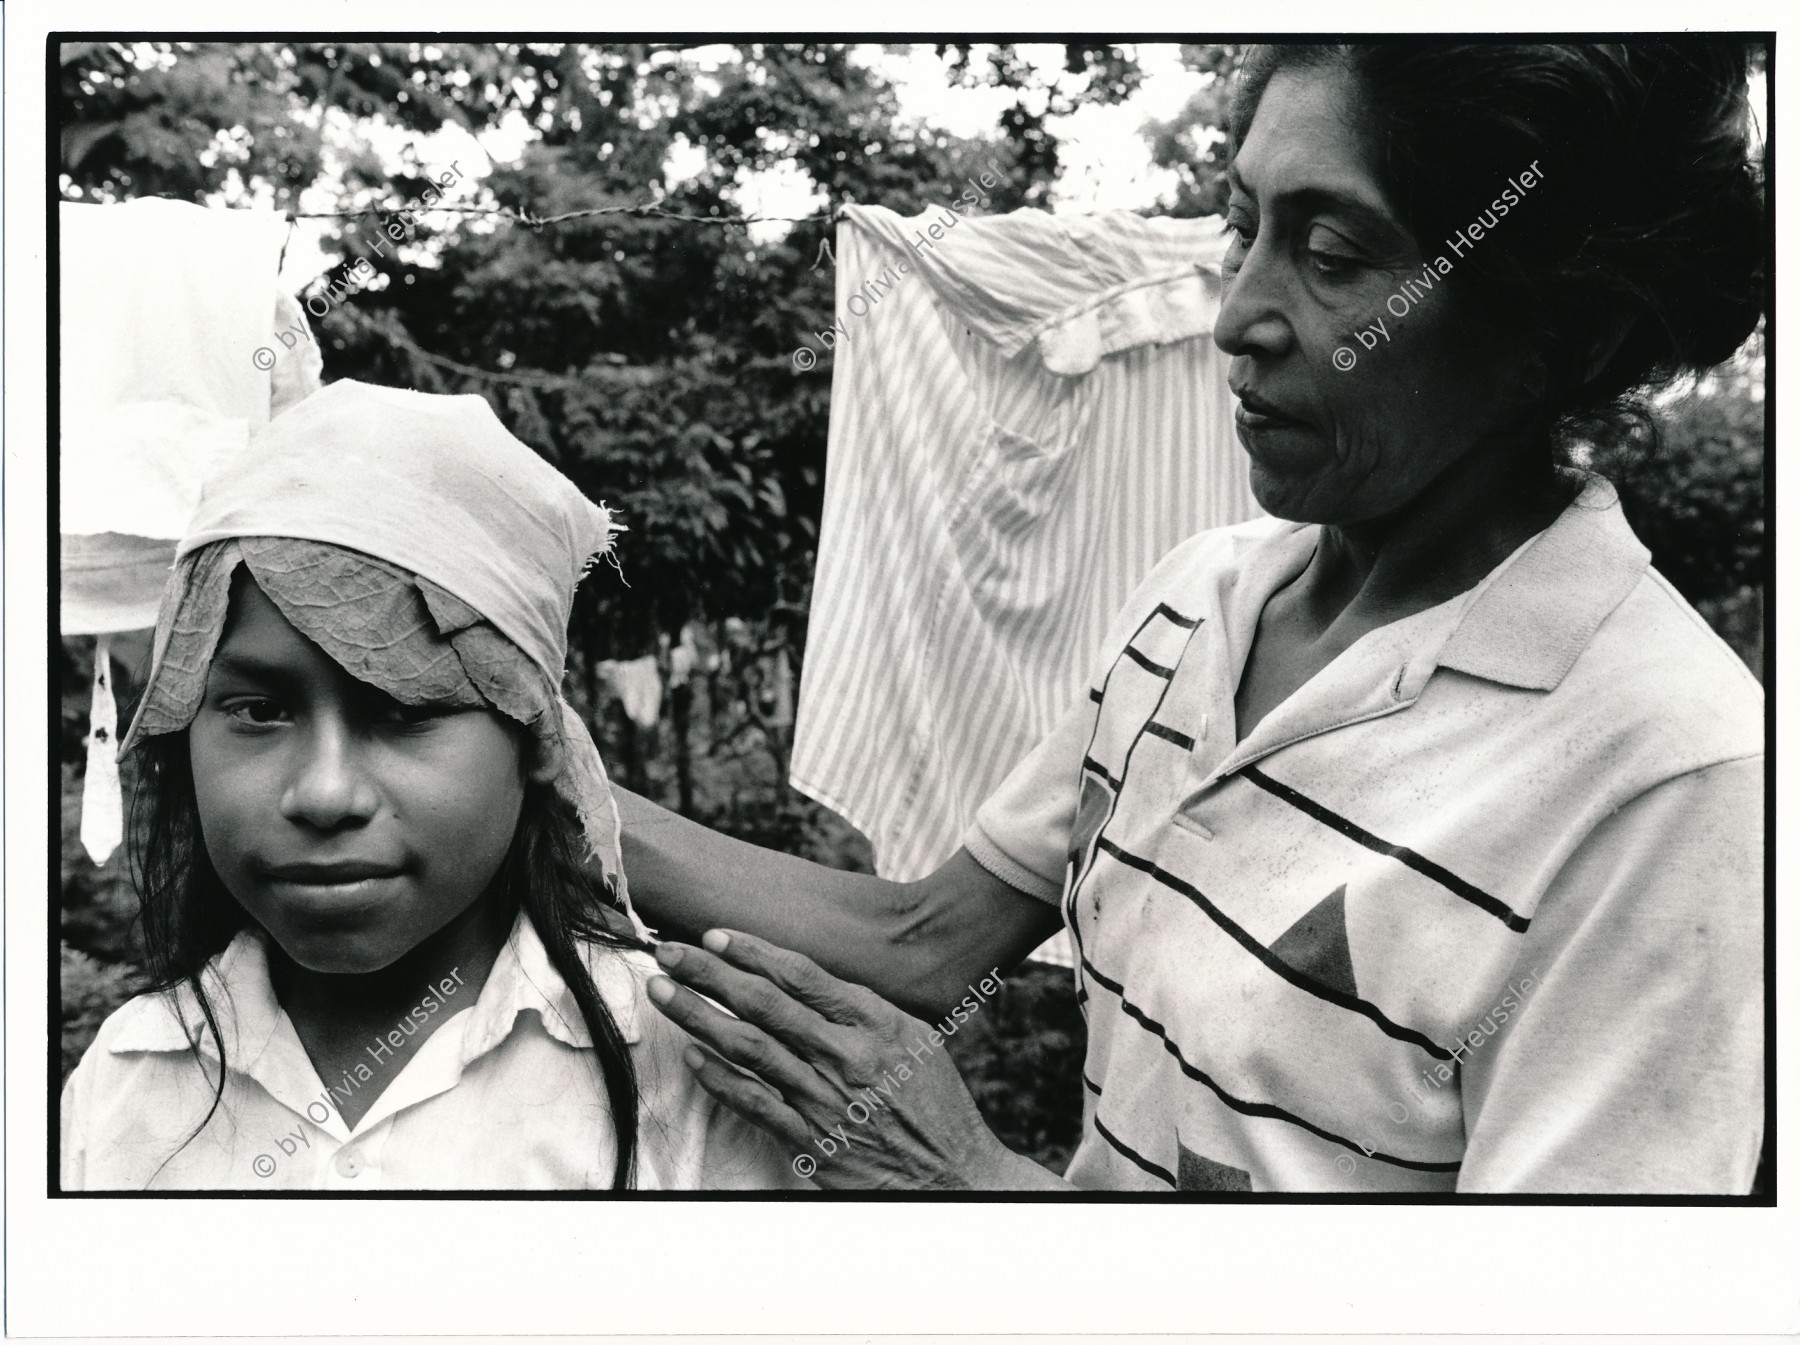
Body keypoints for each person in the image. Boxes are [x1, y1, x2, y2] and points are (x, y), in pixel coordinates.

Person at [623, 40, 1766, 1193]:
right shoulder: (1196, 601)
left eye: (1330, 254)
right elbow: (928, 941)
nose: (1238, 316)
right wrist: (545, 774)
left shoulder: (1670, 772)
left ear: (1565, 331)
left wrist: (973, 1185)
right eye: (1241, 228)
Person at [60, 380, 803, 1191]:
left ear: (538, 740)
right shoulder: (124, 1084)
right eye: (259, 709)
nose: (324, 793)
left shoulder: (693, 1073)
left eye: (405, 708)